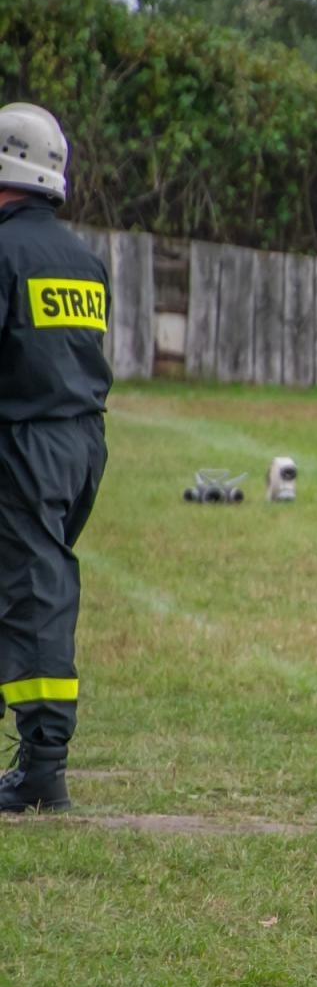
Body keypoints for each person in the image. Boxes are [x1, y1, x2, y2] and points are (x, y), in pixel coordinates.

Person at [0, 103, 111, 813]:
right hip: (81, 446)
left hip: (22, 445)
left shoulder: (3, 254)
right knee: (25, 587)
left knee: (34, 594)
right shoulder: (83, 261)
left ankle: (43, 765)